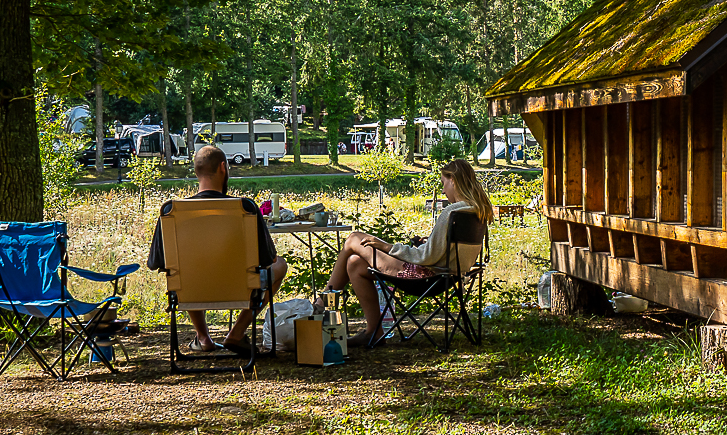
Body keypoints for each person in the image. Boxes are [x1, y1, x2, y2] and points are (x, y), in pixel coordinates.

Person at [323, 158, 494, 347]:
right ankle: (374, 332)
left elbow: (425, 257)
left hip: (424, 276)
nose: (444, 191)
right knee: (355, 263)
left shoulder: (451, 212)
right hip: (449, 276)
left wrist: (385, 246)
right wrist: (429, 242)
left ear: (453, 179)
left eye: (444, 184)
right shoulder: (478, 210)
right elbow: (449, 251)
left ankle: (322, 303)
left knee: (354, 238)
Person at [146, 144, 288, 356]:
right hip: (238, 286)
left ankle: (203, 337)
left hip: (191, 287)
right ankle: (237, 333)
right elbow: (269, 259)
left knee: (181, 271)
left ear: (197, 171)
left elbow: (155, 263)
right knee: (281, 265)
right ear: (223, 167)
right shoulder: (246, 209)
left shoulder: (171, 211)